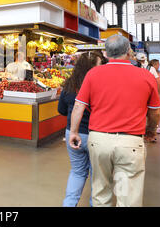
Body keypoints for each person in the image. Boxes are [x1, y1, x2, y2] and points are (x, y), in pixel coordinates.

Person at [68, 34, 160, 207]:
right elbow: (155, 111)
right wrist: (152, 129)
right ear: (128, 52)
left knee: (100, 192)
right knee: (128, 196)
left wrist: (73, 132)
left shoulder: (93, 74)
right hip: (131, 142)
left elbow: (78, 106)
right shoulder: (145, 76)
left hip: (99, 141)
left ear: (106, 54)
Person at [58, 51, 104, 207]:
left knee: (77, 172)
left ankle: (68, 204)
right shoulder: (101, 85)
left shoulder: (69, 84)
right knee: (96, 175)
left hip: (73, 133)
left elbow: (62, 110)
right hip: (95, 135)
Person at [147, 59, 160, 137]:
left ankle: (150, 127)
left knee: (149, 112)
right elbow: (159, 85)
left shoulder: (147, 70)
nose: (158, 66)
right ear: (155, 64)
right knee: (157, 112)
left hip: (149, 93)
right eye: (158, 64)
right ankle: (156, 127)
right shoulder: (155, 72)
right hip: (156, 94)